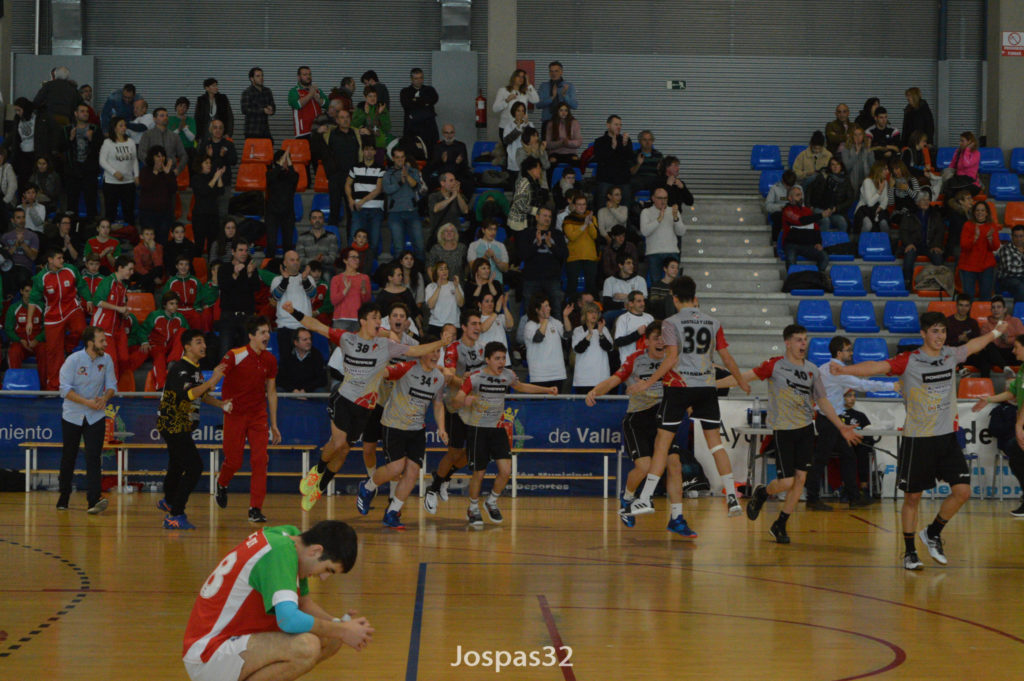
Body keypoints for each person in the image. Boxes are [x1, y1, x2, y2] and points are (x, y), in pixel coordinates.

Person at [832, 312, 1007, 569]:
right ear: (923, 334)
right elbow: (876, 367)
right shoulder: (910, 360)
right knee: (913, 498)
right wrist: (845, 370)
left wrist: (996, 332)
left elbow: (973, 345)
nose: (940, 336)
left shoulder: (950, 355)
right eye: (935, 331)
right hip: (918, 438)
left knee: (963, 491)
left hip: (946, 437)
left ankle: (933, 532)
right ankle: (910, 552)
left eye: (943, 331)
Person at [287, 301, 454, 511]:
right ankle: (318, 470)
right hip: (344, 399)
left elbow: (414, 350)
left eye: (379, 318)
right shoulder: (347, 338)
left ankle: (320, 487)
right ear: (363, 321)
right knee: (338, 442)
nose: (378, 321)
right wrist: (293, 312)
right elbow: (316, 326)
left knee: (344, 450)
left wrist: (441, 343)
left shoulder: (386, 345)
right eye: (374, 318)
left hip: (365, 408)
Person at [182, 520, 373, 681]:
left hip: (231, 644)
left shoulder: (292, 539)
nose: (323, 578)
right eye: (327, 569)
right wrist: (343, 630)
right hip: (209, 653)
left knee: (332, 637)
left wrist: (341, 625)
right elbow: (288, 620)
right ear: (316, 551)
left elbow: (303, 604)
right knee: (307, 647)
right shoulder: (280, 552)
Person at [627, 276, 750, 524]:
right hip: (706, 387)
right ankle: (732, 497)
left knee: (662, 443)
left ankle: (646, 496)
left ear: (674, 298)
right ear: (695, 297)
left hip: (680, 387)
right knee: (716, 445)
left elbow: (671, 358)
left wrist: (648, 383)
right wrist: (741, 381)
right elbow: (726, 358)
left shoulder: (671, 322)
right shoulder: (713, 322)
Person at [732, 325, 860, 543]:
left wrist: (841, 426)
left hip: (806, 429)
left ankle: (780, 524)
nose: (803, 344)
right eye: (799, 340)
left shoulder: (812, 369)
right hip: (783, 430)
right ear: (788, 343)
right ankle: (762, 492)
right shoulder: (775, 365)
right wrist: (709, 386)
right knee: (787, 482)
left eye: (805, 339)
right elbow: (744, 377)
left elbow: (822, 401)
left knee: (800, 480)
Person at [586, 322, 690, 529]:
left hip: (663, 420)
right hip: (638, 419)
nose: (661, 342)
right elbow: (614, 380)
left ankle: (677, 518)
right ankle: (627, 498)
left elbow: (685, 386)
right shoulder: (636, 360)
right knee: (644, 467)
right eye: (656, 338)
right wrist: (595, 391)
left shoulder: (674, 360)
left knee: (675, 464)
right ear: (647, 341)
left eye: (664, 338)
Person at [455, 342, 558, 527]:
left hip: (497, 428)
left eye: (503, 358)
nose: (501, 362)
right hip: (478, 429)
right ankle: (473, 507)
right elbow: (457, 398)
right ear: (487, 360)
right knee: (479, 473)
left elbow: (522, 387)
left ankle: (491, 501)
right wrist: (465, 400)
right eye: (497, 359)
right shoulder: (476, 377)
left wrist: (547, 390)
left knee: (506, 471)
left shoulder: (507, 375)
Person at [355, 336, 449, 528]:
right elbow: (385, 372)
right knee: (396, 468)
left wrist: (441, 428)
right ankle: (367, 487)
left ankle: (392, 512)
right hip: (394, 425)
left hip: (417, 429)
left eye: (438, 351)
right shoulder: (407, 368)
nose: (435, 355)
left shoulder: (439, 378)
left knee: (412, 472)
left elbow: (438, 404)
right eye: (431, 350)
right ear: (421, 352)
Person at [804, 336, 895, 509]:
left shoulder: (824, 368)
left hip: (830, 418)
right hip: (829, 419)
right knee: (822, 459)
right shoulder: (837, 371)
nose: (851, 353)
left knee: (847, 456)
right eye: (848, 350)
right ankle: (813, 498)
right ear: (839, 353)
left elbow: (849, 384)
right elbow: (862, 386)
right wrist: (892, 386)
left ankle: (853, 497)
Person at [156, 332, 227, 529]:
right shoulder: (180, 368)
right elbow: (189, 394)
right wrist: (213, 380)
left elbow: (200, 395)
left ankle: (169, 501)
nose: (203, 345)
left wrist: (220, 404)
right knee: (194, 467)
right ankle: (175, 514)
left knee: (177, 465)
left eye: (204, 341)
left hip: (181, 426)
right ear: (187, 347)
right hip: (173, 425)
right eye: (198, 342)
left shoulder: (195, 368)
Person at [213, 315, 280, 523]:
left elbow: (272, 392)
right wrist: (211, 393)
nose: (267, 336)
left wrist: (274, 424)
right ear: (251, 336)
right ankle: (222, 483)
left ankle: (255, 509)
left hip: (258, 415)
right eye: (262, 332)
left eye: (268, 332)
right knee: (234, 461)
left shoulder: (270, 360)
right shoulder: (235, 355)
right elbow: (216, 376)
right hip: (235, 414)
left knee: (260, 460)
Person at [422, 310, 486, 513]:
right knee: (455, 451)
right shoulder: (453, 349)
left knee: (474, 452)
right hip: (455, 406)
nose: (477, 327)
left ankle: (443, 477)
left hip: (474, 406)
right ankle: (433, 489)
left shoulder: (481, 348)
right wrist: (467, 382)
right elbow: (449, 378)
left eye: (479, 324)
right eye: (473, 323)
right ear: (464, 327)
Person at [56, 326, 117, 513]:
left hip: (95, 415)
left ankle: (93, 500)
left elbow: (112, 385)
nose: (105, 344)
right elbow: (64, 390)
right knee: (69, 456)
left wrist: (105, 398)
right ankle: (63, 497)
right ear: (90, 343)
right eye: (101, 341)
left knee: (93, 457)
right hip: (72, 415)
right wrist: (86, 402)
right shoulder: (73, 360)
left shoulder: (107, 360)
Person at [971, 334, 1024, 517]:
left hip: (1022, 422)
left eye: (1017, 347)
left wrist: (1019, 424)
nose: (1013, 351)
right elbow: (1012, 393)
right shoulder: (1022, 369)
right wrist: (989, 399)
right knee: (1015, 453)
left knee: (1015, 450)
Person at [28, 249, 89, 390]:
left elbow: (81, 285)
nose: (62, 260)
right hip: (53, 315)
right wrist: (30, 320)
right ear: (50, 260)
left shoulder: (71, 269)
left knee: (81, 330)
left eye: (62, 258)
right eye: (59, 258)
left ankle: (67, 347)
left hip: (72, 308)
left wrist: (89, 299)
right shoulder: (41, 277)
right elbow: (33, 300)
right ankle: (54, 386)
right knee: (53, 352)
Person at [311, 108, 361, 233]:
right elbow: (316, 150)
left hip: (352, 179)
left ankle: (352, 241)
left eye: (347, 117)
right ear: (337, 120)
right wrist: (317, 133)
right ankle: (332, 241)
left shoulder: (356, 133)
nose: (345, 120)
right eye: (342, 118)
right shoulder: (329, 134)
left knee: (353, 213)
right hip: (336, 177)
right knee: (334, 212)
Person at [90, 255, 134, 380]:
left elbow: (120, 307)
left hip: (117, 327)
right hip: (103, 327)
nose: (132, 272)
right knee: (111, 361)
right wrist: (118, 308)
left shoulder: (123, 286)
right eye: (130, 269)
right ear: (120, 268)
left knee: (124, 358)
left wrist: (124, 312)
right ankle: (110, 388)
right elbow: (97, 301)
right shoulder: (108, 281)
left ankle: (114, 384)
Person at [217, 239, 262, 358]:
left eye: (246, 250)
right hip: (228, 316)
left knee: (248, 354)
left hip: (247, 316)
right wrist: (235, 275)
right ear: (233, 251)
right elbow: (224, 287)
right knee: (225, 354)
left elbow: (257, 288)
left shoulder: (251, 268)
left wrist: (250, 274)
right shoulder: (224, 268)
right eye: (240, 250)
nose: (244, 253)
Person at [899, 188, 945, 290]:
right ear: (917, 202)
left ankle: (940, 283)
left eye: (927, 200)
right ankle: (907, 282)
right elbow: (904, 231)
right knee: (909, 256)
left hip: (930, 246)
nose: (926, 202)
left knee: (938, 257)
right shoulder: (909, 214)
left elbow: (940, 231)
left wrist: (936, 245)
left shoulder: (935, 214)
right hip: (914, 245)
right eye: (923, 200)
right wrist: (908, 243)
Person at [62, 102, 102, 218]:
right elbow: (60, 148)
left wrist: (91, 139)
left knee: (91, 201)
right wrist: (70, 139)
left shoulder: (95, 129)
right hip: (72, 171)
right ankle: (72, 225)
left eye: (87, 112)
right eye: (82, 111)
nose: (85, 114)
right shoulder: (67, 129)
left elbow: (100, 148)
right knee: (72, 203)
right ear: (76, 113)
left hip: (90, 171)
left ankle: (91, 224)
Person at [383, 147, 425, 259]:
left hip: (412, 212)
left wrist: (407, 176)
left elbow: (417, 187)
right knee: (399, 248)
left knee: (420, 246)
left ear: (405, 158)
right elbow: (387, 190)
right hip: (395, 213)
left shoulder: (413, 171)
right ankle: (398, 269)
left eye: (402, 157)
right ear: (393, 158)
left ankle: (420, 268)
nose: (400, 160)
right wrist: (400, 182)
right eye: (397, 157)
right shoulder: (387, 174)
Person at [346, 141, 386, 257]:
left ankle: (371, 265)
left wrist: (362, 201)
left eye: (371, 150)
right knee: (354, 240)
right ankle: (352, 265)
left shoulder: (381, 168)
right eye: (366, 149)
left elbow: (378, 190)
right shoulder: (355, 167)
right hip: (358, 210)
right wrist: (350, 199)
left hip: (375, 209)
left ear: (375, 152)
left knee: (374, 241)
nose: (368, 152)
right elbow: (347, 185)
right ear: (363, 152)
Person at [272, 250, 317, 351]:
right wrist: (285, 280)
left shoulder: (308, 278)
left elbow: (313, 295)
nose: (295, 262)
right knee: (286, 359)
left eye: (297, 260)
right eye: (292, 260)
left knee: (306, 359)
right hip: (285, 327)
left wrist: (305, 280)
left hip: (305, 326)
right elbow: (276, 297)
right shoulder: (277, 280)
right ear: (285, 263)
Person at [781, 185, 831, 272]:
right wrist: (821, 215)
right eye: (797, 195)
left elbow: (815, 227)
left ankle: (815, 277)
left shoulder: (807, 210)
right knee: (791, 260)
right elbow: (801, 221)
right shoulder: (787, 211)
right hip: (792, 244)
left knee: (824, 256)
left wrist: (818, 242)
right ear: (790, 198)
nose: (801, 197)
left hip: (807, 245)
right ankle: (793, 279)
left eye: (801, 195)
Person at [6, 282, 47, 385]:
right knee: (13, 352)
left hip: (37, 342)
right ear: (21, 292)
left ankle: (43, 385)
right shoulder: (14, 308)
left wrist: (38, 339)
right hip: (21, 342)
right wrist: (19, 340)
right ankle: (15, 384)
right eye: (26, 291)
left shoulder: (41, 306)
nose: (29, 294)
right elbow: (8, 329)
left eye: (32, 291)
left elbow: (48, 327)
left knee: (45, 351)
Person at [523, 294, 567, 391]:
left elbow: (567, 335)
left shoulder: (555, 322)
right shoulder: (530, 325)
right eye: (545, 306)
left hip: (557, 374)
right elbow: (538, 338)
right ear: (537, 310)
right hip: (539, 375)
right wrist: (546, 319)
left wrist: (565, 317)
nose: (549, 308)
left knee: (556, 401)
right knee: (538, 401)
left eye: (548, 305)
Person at [640, 188, 686, 279]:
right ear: (653, 198)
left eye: (665, 198)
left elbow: (681, 232)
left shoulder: (673, 211)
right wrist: (658, 220)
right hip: (654, 252)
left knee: (674, 283)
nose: (663, 201)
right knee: (656, 283)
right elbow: (645, 232)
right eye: (660, 198)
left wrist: (676, 218)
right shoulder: (646, 212)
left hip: (672, 251)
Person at [98, 117, 138, 223]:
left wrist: (136, 175)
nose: (124, 128)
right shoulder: (108, 142)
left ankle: (130, 231)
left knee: (129, 211)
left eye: (124, 125)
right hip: (111, 182)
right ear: (114, 128)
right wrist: (114, 172)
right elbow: (102, 161)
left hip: (128, 182)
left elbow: (134, 160)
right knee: (110, 211)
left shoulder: (131, 142)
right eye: (121, 125)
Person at [959, 201, 1000, 301]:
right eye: (977, 210)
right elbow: (964, 245)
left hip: (986, 265)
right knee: (968, 299)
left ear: (987, 213)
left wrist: (990, 239)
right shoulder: (968, 225)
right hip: (968, 265)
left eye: (982, 210)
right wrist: (975, 238)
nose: (980, 213)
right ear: (974, 212)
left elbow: (995, 247)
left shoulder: (991, 226)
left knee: (986, 297)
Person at [138, 144, 178, 243]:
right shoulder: (145, 171)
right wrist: (155, 172)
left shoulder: (168, 172)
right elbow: (146, 186)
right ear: (152, 157)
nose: (161, 158)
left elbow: (173, 189)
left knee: (162, 241)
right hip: (148, 213)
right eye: (158, 156)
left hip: (165, 213)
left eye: (163, 156)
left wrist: (167, 174)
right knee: (149, 241)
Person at [976, 296, 1024, 378]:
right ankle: (1004, 368)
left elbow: (1022, 339)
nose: (996, 310)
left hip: (1013, 352)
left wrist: (1007, 340)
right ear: (991, 310)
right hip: (996, 355)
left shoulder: (1015, 321)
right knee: (986, 350)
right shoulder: (986, 325)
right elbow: (984, 343)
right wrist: (998, 336)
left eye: (999, 307)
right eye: (993, 307)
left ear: (1005, 309)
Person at [571, 301, 613, 393]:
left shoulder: (604, 329)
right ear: (585, 314)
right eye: (590, 312)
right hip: (583, 379)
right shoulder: (578, 330)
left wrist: (600, 333)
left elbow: (609, 348)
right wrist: (589, 335)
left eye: (596, 312)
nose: (594, 315)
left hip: (601, 378)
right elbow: (578, 349)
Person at [563, 191, 600, 295]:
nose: (582, 207)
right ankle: (571, 304)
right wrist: (584, 225)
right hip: (574, 256)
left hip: (590, 255)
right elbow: (572, 236)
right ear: (574, 206)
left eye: (584, 204)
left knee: (591, 285)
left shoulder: (592, 218)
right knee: (572, 285)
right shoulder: (568, 219)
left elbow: (595, 235)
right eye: (579, 204)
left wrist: (590, 223)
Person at [593, 115, 634, 206]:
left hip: (623, 179)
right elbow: (600, 159)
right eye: (616, 124)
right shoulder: (600, 141)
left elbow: (630, 158)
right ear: (608, 125)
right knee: (602, 203)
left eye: (620, 125)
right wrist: (612, 148)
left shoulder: (625, 140)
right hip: (605, 178)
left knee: (626, 203)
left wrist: (624, 145)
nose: (619, 127)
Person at [805, 157, 854, 233]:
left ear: (841, 166)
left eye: (838, 164)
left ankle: (838, 240)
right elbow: (809, 190)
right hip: (819, 207)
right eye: (833, 164)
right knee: (825, 220)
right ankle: (822, 240)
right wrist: (809, 206)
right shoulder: (822, 177)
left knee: (842, 223)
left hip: (834, 211)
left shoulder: (846, 180)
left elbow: (850, 199)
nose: (835, 167)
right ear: (830, 166)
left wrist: (836, 208)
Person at [266, 149, 300, 254]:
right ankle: (269, 262)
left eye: (287, 160)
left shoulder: (292, 175)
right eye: (283, 160)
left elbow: (294, 178)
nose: (285, 162)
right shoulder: (270, 174)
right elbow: (272, 177)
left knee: (288, 244)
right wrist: (280, 165)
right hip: (272, 213)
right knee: (271, 243)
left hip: (288, 213)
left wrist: (289, 163)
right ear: (277, 161)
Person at [330, 247, 372, 332]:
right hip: (340, 319)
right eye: (353, 257)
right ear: (345, 260)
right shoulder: (336, 279)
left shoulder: (364, 278)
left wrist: (363, 291)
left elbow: (367, 301)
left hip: (358, 319)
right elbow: (333, 301)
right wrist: (345, 290)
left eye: (357, 257)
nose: (356, 260)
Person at [203, 119, 238, 218]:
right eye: (215, 128)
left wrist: (223, 156)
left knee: (223, 213)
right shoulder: (206, 144)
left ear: (223, 130)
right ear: (210, 130)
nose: (218, 130)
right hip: (209, 183)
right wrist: (208, 156)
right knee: (209, 213)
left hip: (224, 183)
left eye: (220, 128)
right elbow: (199, 164)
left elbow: (234, 161)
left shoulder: (228, 144)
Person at [191, 155, 225, 256]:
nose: (209, 165)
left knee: (213, 244)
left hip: (213, 214)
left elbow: (221, 191)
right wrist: (215, 178)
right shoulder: (196, 178)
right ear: (200, 165)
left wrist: (219, 176)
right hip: (200, 215)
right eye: (206, 163)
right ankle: (197, 263)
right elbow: (204, 191)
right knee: (199, 244)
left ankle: (212, 264)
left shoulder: (212, 177)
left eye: (210, 163)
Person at [138, 106, 188, 174]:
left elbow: (183, 155)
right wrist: (153, 164)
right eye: (162, 116)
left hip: (171, 171)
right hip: (152, 172)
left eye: (166, 116)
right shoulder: (147, 135)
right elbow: (141, 153)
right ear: (154, 119)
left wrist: (178, 170)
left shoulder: (174, 136)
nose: (165, 118)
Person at [277, 328, 327, 393]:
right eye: (305, 339)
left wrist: (305, 390)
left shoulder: (316, 355)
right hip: (291, 391)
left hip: (310, 391)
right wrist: (293, 390)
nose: (309, 342)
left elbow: (322, 380)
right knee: (278, 390)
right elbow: (280, 379)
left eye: (310, 339)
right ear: (296, 342)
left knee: (321, 392)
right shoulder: (287, 355)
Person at [536, 61, 577, 141]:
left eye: (556, 71)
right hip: (548, 121)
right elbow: (538, 105)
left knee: (563, 145)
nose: (553, 73)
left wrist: (564, 95)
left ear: (561, 72)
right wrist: (552, 98)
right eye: (551, 71)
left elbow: (574, 105)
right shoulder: (544, 86)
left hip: (564, 122)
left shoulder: (568, 86)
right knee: (546, 145)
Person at [493, 69, 539, 138]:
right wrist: (507, 100)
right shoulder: (503, 90)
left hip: (522, 127)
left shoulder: (526, 92)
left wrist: (528, 84)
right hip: (506, 127)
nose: (521, 79)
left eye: (523, 77)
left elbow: (536, 100)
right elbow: (495, 109)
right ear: (513, 77)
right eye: (518, 76)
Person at [613, 291, 654, 365]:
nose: (643, 304)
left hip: (648, 362)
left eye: (643, 301)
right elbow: (618, 342)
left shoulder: (649, 317)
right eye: (639, 301)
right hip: (629, 363)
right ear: (631, 303)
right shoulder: (623, 319)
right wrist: (637, 333)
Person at [400, 68, 439, 146]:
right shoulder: (405, 92)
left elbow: (434, 99)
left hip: (429, 128)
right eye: (416, 78)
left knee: (431, 149)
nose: (419, 80)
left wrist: (415, 100)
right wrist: (425, 102)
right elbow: (406, 104)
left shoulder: (429, 90)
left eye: (421, 78)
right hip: (412, 128)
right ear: (411, 79)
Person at [428, 172, 470, 243]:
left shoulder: (458, 196)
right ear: (442, 183)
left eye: (454, 180)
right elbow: (436, 208)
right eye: (451, 181)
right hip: (439, 233)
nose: (454, 183)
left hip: (455, 233)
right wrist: (452, 197)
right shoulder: (434, 196)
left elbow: (465, 210)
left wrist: (457, 194)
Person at [853, 161, 890, 240]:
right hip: (863, 209)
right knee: (868, 225)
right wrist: (879, 191)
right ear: (879, 170)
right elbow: (869, 203)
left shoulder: (885, 182)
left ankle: (885, 244)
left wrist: (880, 208)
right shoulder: (867, 182)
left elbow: (885, 200)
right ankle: (862, 243)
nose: (888, 171)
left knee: (884, 224)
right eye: (885, 169)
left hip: (877, 209)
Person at [425, 261, 464, 335]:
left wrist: (456, 287)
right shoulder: (431, 286)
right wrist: (439, 287)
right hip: (436, 324)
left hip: (454, 324)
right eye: (441, 269)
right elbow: (430, 305)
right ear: (436, 272)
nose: (444, 271)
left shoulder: (455, 284)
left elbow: (461, 304)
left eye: (446, 268)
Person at [467, 219, 510, 285]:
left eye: (495, 229)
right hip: (479, 283)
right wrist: (485, 257)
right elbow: (472, 267)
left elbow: (505, 269)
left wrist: (495, 260)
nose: (493, 232)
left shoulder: (501, 246)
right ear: (483, 230)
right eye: (490, 229)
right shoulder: (473, 245)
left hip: (497, 283)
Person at [297, 209, 340, 274]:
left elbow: (333, 258)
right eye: (314, 218)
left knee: (327, 275)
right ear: (310, 220)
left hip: (325, 267)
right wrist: (314, 260)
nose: (317, 220)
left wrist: (323, 259)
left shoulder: (332, 236)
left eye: (320, 218)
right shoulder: (302, 237)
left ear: (323, 220)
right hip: (307, 267)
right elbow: (300, 259)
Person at [240, 66, 276, 140]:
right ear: (252, 79)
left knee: (270, 145)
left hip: (265, 130)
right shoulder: (247, 92)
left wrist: (271, 108)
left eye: (262, 75)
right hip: (252, 131)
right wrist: (263, 110)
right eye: (258, 76)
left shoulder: (267, 91)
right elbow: (245, 109)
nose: (261, 78)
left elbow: (273, 106)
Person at [765, 170, 796, 244]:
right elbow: (768, 206)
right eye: (787, 185)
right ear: (783, 181)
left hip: (794, 212)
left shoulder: (798, 189)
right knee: (778, 218)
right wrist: (781, 207)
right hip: (779, 212)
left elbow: (802, 205)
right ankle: (775, 241)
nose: (788, 187)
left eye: (790, 185)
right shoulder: (775, 188)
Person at [841, 126, 874, 194]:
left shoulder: (867, 148)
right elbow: (846, 167)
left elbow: (873, 166)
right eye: (855, 135)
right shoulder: (846, 149)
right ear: (852, 136)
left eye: (860, 134)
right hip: (851, 182)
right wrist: (856, 153)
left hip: (866, 181)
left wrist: (869, 152)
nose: (858, 137)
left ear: (863, 136)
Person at [902, 87, 935, 151]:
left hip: (921, 143)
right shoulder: (908, 110)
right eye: (907, 96)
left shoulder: (924, 109)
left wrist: (928, 142)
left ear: (915, 96)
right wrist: (903, 145)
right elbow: (905, 130)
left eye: (909, 96)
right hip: (910, 143)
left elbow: (930, 127)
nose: (907, 98)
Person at [997, 225, 1024, 304]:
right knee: (1020, 287)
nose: (1018, 239)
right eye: (1016, 236)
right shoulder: (1005, 249)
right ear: (1011, 237)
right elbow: (1009, 269)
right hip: (1008, 279)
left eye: (1021, 236)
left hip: (1021, 278)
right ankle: (1020, 310)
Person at [647, 256, 679, 321]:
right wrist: (669, 296)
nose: (675, 270)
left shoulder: (679, 286)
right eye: (672, 267)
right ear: (665, 269)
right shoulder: (656, 285)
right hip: (660, 316)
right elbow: (654, 304)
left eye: (677, 268)